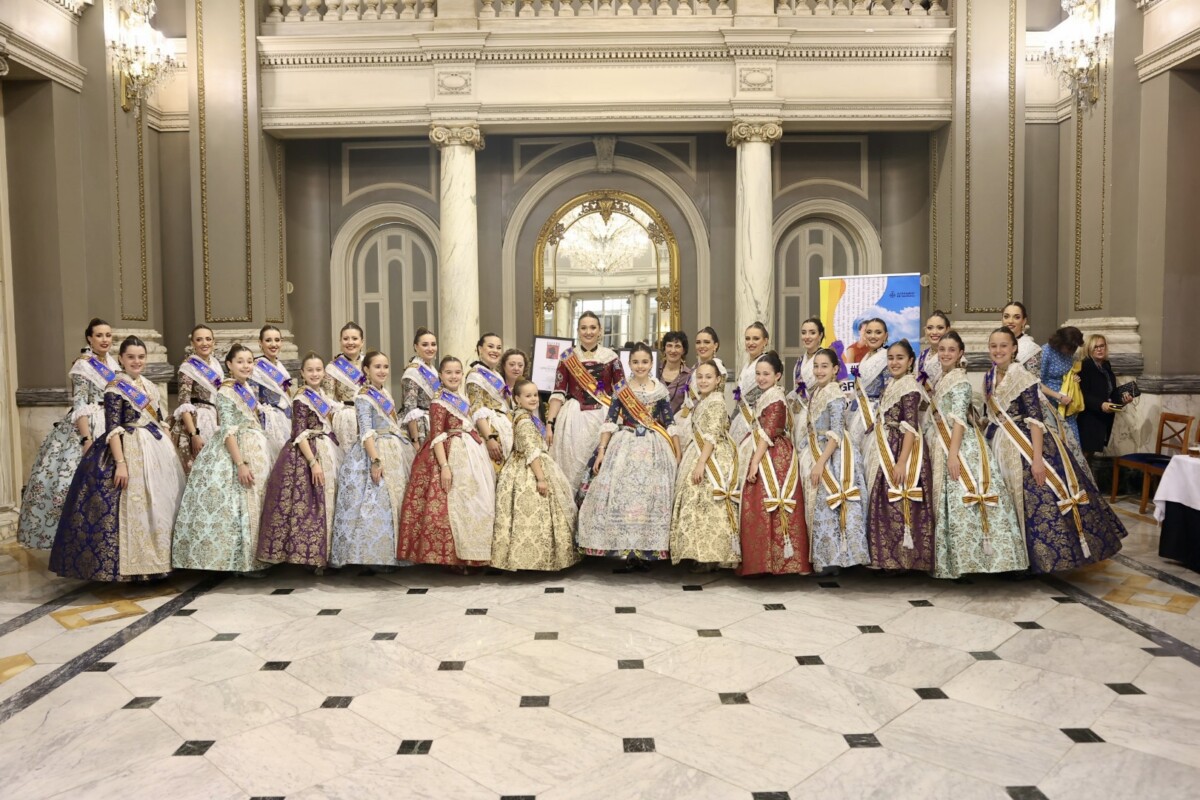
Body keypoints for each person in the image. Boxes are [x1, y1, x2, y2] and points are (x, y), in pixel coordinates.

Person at [984, 327, 1126, 573]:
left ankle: (1033, 562)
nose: (998, 351)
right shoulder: (989, 376)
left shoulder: (1024, 378)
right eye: (994, 346)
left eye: (1003, 346)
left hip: (1026, 446)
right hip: (997, 442)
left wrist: (1037, 460)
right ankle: (1008, 556)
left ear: (1014, 348)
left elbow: (1036, 421)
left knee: (1035, 500)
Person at [49, 335, 184, 581]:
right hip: (129, 448)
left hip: (156, 448)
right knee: (136, 506)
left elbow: (161, 421)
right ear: (121, 359)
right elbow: (113, 428)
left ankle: (163, 560)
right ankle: (138, 566)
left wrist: (171, 449)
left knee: (161, 503)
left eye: (141, 357)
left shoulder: (150, 386)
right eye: (131, 357)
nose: (136, 361)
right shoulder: (115, 387)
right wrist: (121, 464)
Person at [926, 332, 1028, 579]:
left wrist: (953, 455)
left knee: (962, 500)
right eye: (942, 349)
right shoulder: (943, 378)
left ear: (961, 353)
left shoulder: (959, 381)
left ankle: (974, 560)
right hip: (942, 441)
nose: (946, 354)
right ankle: (956, 560)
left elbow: (959, 420)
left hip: (957, 446)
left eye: (951, 350)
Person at [172, 344, 273, 575]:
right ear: (229, 365)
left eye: (249, 361)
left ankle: (260, 555)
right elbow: (228, 430)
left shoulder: (247, 388)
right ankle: (241, 561)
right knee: (239, 502)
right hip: (236, 450)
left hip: (257, 446)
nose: (246, 365)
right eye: (240, 362)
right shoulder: (226, 391)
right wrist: (239, 463)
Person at [18, 318, 119, 549]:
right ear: (89, 338)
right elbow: (80, 403)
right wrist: (86, 439)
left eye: (108, 335)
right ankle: (77, 541)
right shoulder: (84, 365)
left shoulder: (114, 364)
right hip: (89, 424)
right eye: (100, 335)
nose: (105, 340)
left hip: (112, 422)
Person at [577, 343, 678, 567]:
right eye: (635, 362)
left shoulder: (660, 391)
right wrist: (602, 450)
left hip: (654, 447)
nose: (640, 366)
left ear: (651, 364)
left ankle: (646, 550)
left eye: (644, 362)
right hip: (624, 444)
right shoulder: (621, 389)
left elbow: (670, 423)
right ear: (629, 364)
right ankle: (625, 548)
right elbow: (610, 421)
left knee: (649, 497)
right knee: (622, 494)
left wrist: (677, 453)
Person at [397, 356, 496, 570]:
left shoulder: (460, 397)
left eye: (457, 372)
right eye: (449, 372)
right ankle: (455, 559)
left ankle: (474, 553)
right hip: (448, 454)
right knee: (452, 505)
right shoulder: (438, 400)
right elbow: (437, 436)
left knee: (474, 503)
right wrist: (444, 467)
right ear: (440, 376)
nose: (454, 376)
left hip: (470, 452)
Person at [257, 353, 343, 573]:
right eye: (310, 370)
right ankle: (313, 558)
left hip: (327, 448)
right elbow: (299, 433)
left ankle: (328, 553)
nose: (315, 374)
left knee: (329, 501)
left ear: (323, 372)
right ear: (302, 374)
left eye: (318, 370)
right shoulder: (301, 397)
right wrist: (313, 462)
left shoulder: (322, 394)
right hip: (307, 454)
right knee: (311, 504)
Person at [329, 351, 412, 571]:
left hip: (393, 447)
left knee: (393, 502)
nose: (382, 371)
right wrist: (375, 460)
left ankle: (392, 554)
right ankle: (372, 557)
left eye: (385, 366)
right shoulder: (364, 395)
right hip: (374, 450)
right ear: (366, 370)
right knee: (375, 501)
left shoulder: (384, 392)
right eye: (377, 367)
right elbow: (365, 431)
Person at [491, 379, 581, 572]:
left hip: (529, 463)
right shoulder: (524, 420)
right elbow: (531, 451)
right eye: (527, 396)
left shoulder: (526, 416)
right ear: (517, 398)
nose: (533, 399)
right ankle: (535, 561)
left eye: (535, 395)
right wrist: (540, 478)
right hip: (530, 469)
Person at [864, 340, 936, 572]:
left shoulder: (909, 387)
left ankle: (902, 560)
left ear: (911, 361)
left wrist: (902, 462)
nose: (894, 362)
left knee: (896, 500)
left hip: (901, 449)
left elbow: (911, 428)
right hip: (884, 444)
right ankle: (884, 557)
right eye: (891, 358)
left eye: (900, 358)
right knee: (882, 501)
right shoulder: (893, 384)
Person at [737, 352, 810, 576]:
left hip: (772, 455)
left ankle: (778, 561)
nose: (761, 378)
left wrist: (754, 463)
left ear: (777, 375)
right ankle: (763, 559)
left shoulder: (776, 398)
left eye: (766, 374)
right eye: (758, 374)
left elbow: (768, 434)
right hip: (764, 448)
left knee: (769, 502)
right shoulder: (768, 395)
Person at [798, 348, 870, 574]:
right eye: (816, 366)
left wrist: (820, 463)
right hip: (814, 449)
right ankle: (823, 556)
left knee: (828, 503)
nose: (819, 370)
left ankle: (835, 559)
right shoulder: (817, 391)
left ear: (836, 369)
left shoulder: (835, 394)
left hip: (833, 454)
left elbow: (837, 431)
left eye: (824, 366)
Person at [670, 361, 740, 573]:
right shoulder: (704, 400)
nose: (703, 381)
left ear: (718, 380)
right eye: (700, 377)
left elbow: (711, 436)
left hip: (711, 457)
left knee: (707, 502)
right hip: (699, 452)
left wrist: (701, 464)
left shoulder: (717, 402)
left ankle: (711, 556)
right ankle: (699, 552)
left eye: (708, 377)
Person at [545, 312, 626, 494]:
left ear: (599, 331)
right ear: (578, 331)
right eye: (583, 328)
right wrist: (550, 423)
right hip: (574, 418)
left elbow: (622, 392)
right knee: (572, 466)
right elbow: (558, 392)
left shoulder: (611, 357)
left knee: (602, 467)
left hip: (604, 416)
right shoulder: (567, 357)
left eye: (592, 327)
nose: (588, 332)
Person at [171, 324, 225, 474]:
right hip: (198, 420)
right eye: (199, 339)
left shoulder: (216, 365)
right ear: (192, 344)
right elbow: (184, 403)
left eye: (208, 339)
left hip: (215, 418)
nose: (204, 343)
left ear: (214, 342)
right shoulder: (188, 367)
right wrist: (194, 434)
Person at [672, 326, 727, 451]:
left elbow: (715, 400)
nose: (702, 346)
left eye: (706, 342)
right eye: (698, 342)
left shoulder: (718, 367)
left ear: (715, 345)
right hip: (686, 417)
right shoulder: (695, 366)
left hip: (703, 421)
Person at [1078, 334, 1133, 458]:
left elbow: (1110, 393)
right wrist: (1100, 404)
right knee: (1083, 457)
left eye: (1102, 346)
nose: (1099, 349)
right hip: (1088, 417)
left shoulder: (1106, 366)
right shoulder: (1085, 366)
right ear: (1089, 349)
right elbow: (1083, 394)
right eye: (1095, 347)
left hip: (1102, 418)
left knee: (1090, 455)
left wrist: (1123, 400)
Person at [467, 333, 513, 464]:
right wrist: (489, 438)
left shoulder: (497, 374)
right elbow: (476, 409)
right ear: (480, 349)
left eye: (498, 348)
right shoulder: (475, 375)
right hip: (489, 429)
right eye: (491, 346)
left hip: (505, 425)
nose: (495, 351)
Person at [846, 318, 889, 453]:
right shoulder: (866, 357)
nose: (872, 336)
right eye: (869, 332)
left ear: (885, 335)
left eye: (878, 332)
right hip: (858, 409)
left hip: (874, 414)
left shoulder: (887, 357)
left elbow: (889, 389)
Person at [252, 325, 294, 463]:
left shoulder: (280, 367)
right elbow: (253, 400)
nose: (273, 344)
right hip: (268, 422)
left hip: (286, 419)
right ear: (260, 343)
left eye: (277, 340)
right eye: (268, 340)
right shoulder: (256, 367)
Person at [324, 321, 367, 457]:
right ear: (340, 341)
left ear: (362, 342)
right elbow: (328, 400)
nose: (350, 342)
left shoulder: (370, 363)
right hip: (345, 419)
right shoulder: (333, 367)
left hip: (368, 414)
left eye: (354, 338)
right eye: (346, 338)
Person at [400, 327, 441, 460]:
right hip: (420, 427)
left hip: (433, 422)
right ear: (416, 347)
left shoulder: (433, 370)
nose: (430, 348)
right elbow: (410, 408)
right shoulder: (412, 372)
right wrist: (415, 440)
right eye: (425, 345)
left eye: (433, 344)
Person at [787, 317, 826, 452]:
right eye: (804, 332)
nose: (807, 337)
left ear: (820, 335)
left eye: (812, 332)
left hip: (817, 417)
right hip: (798, 417)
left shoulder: (826, 357)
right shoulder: (799, 361)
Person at [1040, 326, 1085, 440]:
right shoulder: (1046, 352)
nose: (1072, 351)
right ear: (1060, 342)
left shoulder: (1070, 354)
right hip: (1049, 401)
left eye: (1075, 347)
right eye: (1070, 347)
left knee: (1072, 437)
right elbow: (1036, 382)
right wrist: (1058, 396)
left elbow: (1068, 373)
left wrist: (1074, 379)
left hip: (1066, 402)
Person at [730, 322, 770, 449]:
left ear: (765, 341)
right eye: (747, 338)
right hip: (741, 419)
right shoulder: (746, 365)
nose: (750, 342)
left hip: (756, 421)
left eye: (756, 338)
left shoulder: (766, 362)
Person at [658, 331, 692, 417]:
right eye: (669, 345)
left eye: (677, 346)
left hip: (677, 426)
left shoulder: (689, 376)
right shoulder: (654, 371)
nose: (673, 350)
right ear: (664, 349)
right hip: (652, 426)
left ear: (683, 350)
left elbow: (690, 404)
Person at [917, 310, 951, 396]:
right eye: (930, 328)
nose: (934, 332)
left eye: (940, 328)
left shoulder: (955, 358)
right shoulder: (921, 357)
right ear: (925, 331)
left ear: (947, 330)